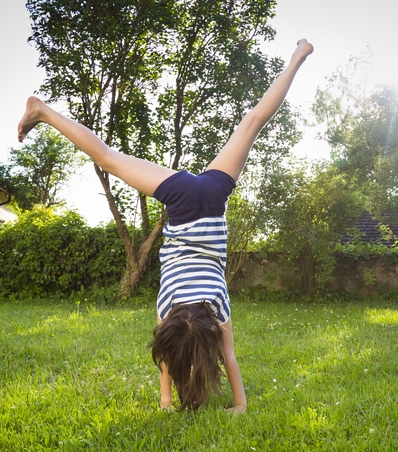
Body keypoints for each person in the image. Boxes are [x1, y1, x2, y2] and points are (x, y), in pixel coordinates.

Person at [17, 39, 314, 413]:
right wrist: (165, 400)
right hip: (184, 200)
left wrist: (239, 404)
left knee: (252, 122)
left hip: (211, 198)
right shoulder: (167, 305)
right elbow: (168, 353)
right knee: (108, 158)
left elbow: (229, 356)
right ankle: (42, 110)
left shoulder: (218, 308)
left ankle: (298, 57)